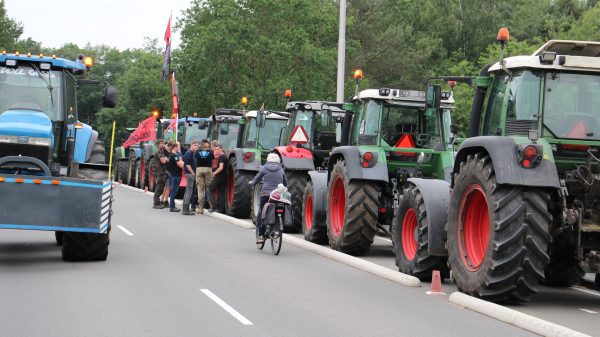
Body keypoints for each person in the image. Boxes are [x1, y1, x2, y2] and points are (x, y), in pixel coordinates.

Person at [249, 153, 287, 243]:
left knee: (262, 212)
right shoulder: (281, 169)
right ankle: (277, 226)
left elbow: (256, 180)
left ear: (268, 160)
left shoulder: (264, 168)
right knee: (278, 208)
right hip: (278, 195)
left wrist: (251, 183)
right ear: (278, 161)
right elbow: (285, 182)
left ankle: (261, 236)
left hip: (266, 194)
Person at [195, 140, 214, 214]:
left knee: (200, 189)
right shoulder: (210, 152)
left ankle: (201, 208)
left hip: (199, 169)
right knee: (209, 188)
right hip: (208, 169)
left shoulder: (197, 152)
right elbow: (213, 159)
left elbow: (196, 158)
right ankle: (211, 206)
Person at [208, 144, 228, 213]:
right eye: (215, 149)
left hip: (219, 177)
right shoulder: (225, 156)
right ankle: (221, 210)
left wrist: (214, 173)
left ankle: (213, 207)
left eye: (217, 149)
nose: (216, 151)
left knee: (209, 190)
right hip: (224, 178)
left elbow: (221, 167)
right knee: (221, 193)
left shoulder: (222, 157)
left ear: (221, 149)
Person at [181, 140, 199, 215]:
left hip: (189, 174)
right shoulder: (189, 153)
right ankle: (186, 209)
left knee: (187, 191)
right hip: (190, 174)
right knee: (189, 191)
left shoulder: (191, 153)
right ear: (191, 145)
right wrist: (193, 173)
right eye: (194, 145)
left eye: (197, 145)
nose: (196, 146)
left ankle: (185, 208)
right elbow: (187, 165)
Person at [167, 142, 184, 212]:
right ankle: (172, 206)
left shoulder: (174, 155)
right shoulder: (174, 156)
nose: (179, 148)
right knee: (174, 191)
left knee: (174, 190)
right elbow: (181, 165)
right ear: (175, 147)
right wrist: (181, 161)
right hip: (176, 176)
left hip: (175, 175)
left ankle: (172, 205)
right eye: (178, 146)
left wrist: (180, 161)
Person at [152, 139, 168, 209]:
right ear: (157, 145)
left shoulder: (162, 152)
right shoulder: (158, 152)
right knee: (159, 188)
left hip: (162, 171)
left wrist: (165, 158)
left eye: (163, 143)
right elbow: (163, 161)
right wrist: (166, 159)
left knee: (161, 188)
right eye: (160, 143)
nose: (162, 144)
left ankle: (158, 202)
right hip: (159, 172)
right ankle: (156, 203)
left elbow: (164, 159)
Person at [160, 140, 175, 208]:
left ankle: (163, 199)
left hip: (170, 170)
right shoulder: (164, 151)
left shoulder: (171, 152)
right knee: (167, 186)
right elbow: (162, 160)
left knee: (167, 186)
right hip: (165, 170)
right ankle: (164, 200)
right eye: (173, 147)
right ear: (170, 146)